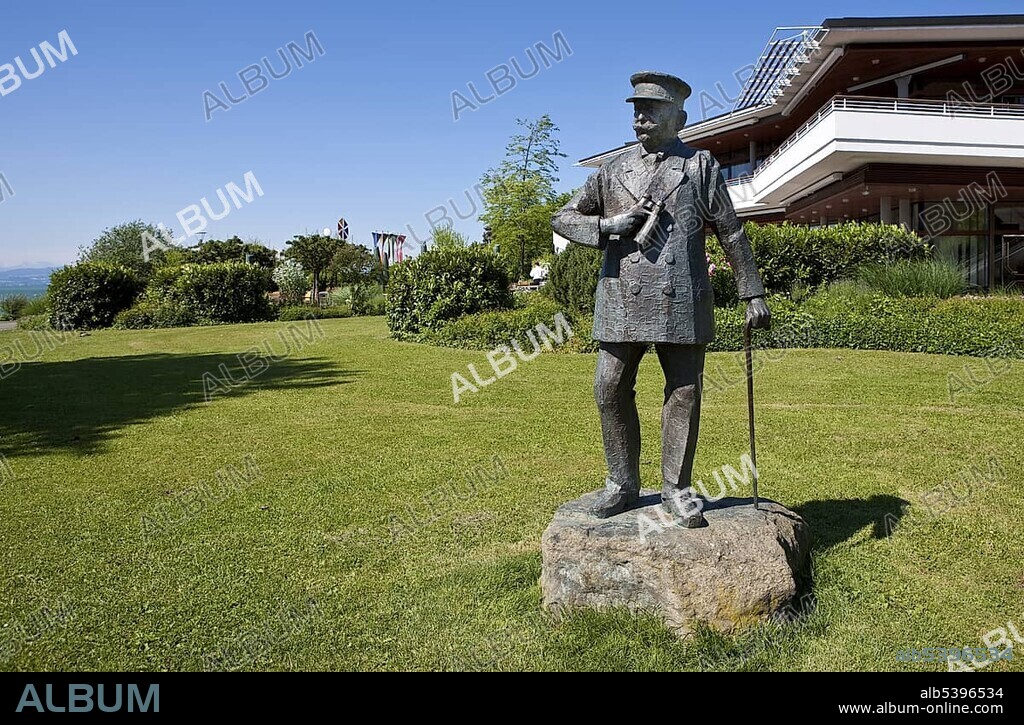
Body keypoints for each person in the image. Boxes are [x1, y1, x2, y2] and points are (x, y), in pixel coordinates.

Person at [551, 71, 771, 527]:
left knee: (684, 391)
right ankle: (621, 484)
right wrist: (607, 226)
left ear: (679, 118)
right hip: (622, 296)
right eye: (636, 110)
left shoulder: (700, 166)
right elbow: (563, 217)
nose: (640, 118)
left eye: (651, 110)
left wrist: (752, 291)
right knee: (608, 387)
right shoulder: (613, 170)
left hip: (681, 295)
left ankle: (676, 488)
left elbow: (730, 230)